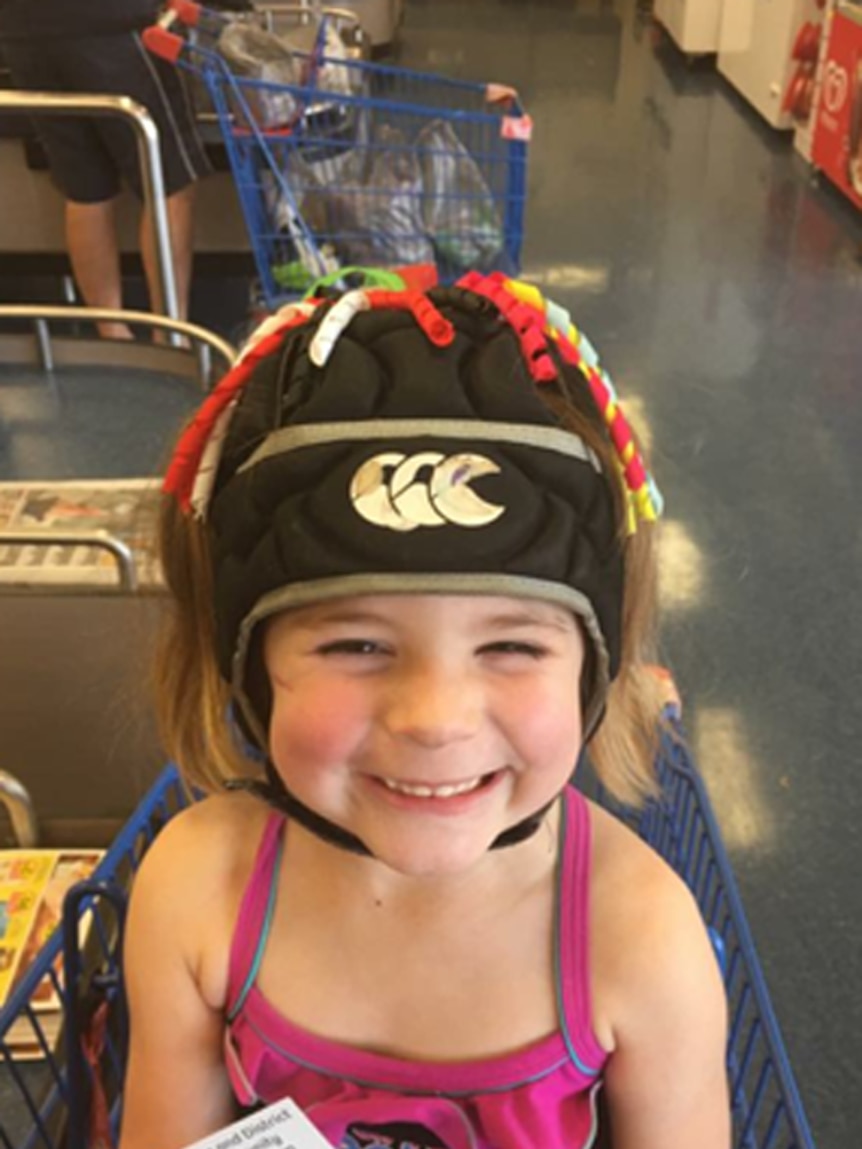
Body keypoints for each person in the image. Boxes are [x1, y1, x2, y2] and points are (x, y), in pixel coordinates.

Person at [119, 272, 730, 1149]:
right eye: (355, 645)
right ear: (247, 668)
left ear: (594, 671)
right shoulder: (195, 893)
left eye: (511, 646)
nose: (435, 717)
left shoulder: (641, 943)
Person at [0, 0, 211, 338]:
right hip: (117, 24)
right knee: (166, 181)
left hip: (21, 30)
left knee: (85, 188)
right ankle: (170, 335)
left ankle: (112, 335)